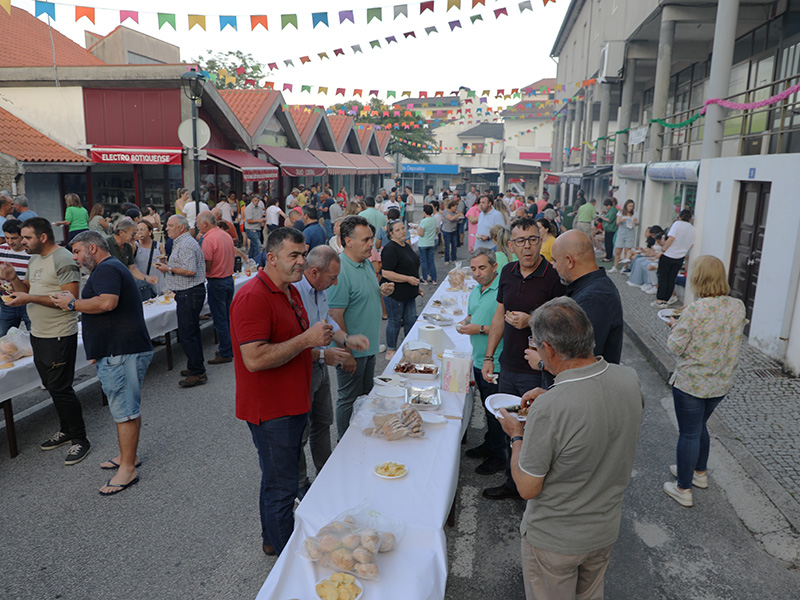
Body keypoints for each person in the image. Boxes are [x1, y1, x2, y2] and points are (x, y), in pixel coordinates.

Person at [497, 297, 643, 600]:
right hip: (603, 530)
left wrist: (516, 436)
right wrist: (552, 392)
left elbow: (527, 486)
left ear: (548, 349)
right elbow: (596, 408)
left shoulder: (551, 408)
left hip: (555, 539)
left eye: (536, 345)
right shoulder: (629, 379)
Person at [231, 227, 333, 556]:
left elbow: (294, 344)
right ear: (271, 258)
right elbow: (255, 358)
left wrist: (321, 351)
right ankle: (287, 562)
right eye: (294, 255)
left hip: (292, 404)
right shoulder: (252, 297)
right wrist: (308, 340)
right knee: (282, 487)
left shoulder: (289, 290)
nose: (302, 261)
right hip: (272, 411)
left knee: (276, 480)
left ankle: (270, 540)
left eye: (303, 254)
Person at [53, 231, 153, 495]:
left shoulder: (107, 269)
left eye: (77, 251)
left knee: (124, 412)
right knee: (128, 408)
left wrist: (72, 303)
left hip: (120, 353)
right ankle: (127, 457)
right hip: (117, 351)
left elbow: (108, 303)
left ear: (93, 248)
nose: (75, 258)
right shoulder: (109, 268)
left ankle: (128, 469)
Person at [481, 216, 566, 500]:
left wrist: (532, 320)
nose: (527, 247)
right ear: (511, 245)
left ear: (540, 242)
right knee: (509, 426)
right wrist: (489, 356)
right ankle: (511, 482)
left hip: (537, 369)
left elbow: (564, 324)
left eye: (532, 240)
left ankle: (532, 491)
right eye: (520, 241)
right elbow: (498, 317)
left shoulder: (553, 277)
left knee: (534, 432)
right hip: (508, 365)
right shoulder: (506, 272)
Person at [0, 218, 88, 465]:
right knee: (51, 386)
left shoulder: (63, 258)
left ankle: (80, 439)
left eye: (27, 238)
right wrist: (12, 279)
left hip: (59, 333)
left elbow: (69, 297)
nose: (22, 242)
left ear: (43, 237)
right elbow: (26, 287)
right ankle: (66, 429)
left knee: (62, 388)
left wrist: (28, 297)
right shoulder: (35, 258)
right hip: (38, 333)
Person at [663, 256, 746, 507]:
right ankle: (699, 473)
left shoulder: (695, 310)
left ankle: (683, 488)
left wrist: (674, 326)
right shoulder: (738, 306)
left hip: (692, 383)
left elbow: (674, 347)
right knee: (699, 428)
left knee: (688, 433)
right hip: (720, 383)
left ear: (698, 279)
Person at [292, 246, 369, 497]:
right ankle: (301, 485)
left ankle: (326, 472)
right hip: (303, 368)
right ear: (314, 272)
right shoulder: (295, 292)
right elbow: (295, 344)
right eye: (332, 277)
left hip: (319, 365)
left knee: (322, 423)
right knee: (300, 432)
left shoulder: (319, 289)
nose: (335, 282)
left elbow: (328, 322)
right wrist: (325, 354)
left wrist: (347, 339)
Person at [328, 215, 394, 439]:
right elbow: (335, 315)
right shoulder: (340, 269)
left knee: (365, 397)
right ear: (348, 241)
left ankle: (361, 439)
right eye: (366, 239)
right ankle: (345, 444)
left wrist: (381, 291)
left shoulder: (365, 262)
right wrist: (346, 353)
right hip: (351, 351)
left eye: (372, 238)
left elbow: (363, 295)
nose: (371, 244)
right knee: (348, 398)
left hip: (369, 346)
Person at [458, 248, 505, 476]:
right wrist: (466, 321)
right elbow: (471, 314)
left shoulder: (502, 292)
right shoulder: (477, 290)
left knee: (496, 412)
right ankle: (490, 444)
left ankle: (499, 456)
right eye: (474, 269)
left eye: (482, 268)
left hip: (494, 361)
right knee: (486, 408)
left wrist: (480, 328)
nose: (477, 273)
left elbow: (506, 327)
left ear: (494, 267)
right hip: (477, 359)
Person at [551, 230, 624, 364]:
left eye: (555, 260)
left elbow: (579, 360)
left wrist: (542, 362)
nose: (553, 266)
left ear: (569, 261)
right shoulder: (594, 288)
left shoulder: (592, 298)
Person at [155, 215, 207, 388]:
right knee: (191, 332)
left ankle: (197, 371)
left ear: (181, 228)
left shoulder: (185, 244)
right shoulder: (182, 241)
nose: (167, 228)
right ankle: (195, 366)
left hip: (189, 293)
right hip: (187, 292)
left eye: (170, 225)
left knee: (187, 334)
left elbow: (190, 270)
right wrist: (168, 265)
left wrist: (168, 268)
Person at [197, 211, 235, 365]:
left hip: (217, 281)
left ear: (205, 224)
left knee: (220, 319)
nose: (197, 225)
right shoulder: (225, 235)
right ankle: (228, 346)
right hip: (228, 279)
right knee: (226, 317)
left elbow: (207, 264)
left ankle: (226, 351)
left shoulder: (208, 239)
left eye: (198, 223)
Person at [381, 219, 422, 361]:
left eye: (403, 228)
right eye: (397, 230)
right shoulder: (390, 248)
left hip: (409, 292)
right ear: (391, 234)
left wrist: (417, 287)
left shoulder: (405, 245)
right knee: (395, 321)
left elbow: (411, 268)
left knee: (411, 320)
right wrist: (408, 279)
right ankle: (391, 350)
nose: (402, 231)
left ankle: (408, 345)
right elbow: (386, 273)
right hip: (395, 293)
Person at [105, 217, 159, 298]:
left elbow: (132, 268)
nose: (135, 237)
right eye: (133, 234)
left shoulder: (128, 247)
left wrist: (146, 278)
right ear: (121, 233)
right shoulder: (105, 244)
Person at [654, 209, 695, 308]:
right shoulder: (692, 228)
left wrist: (662, 251)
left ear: (680, 216)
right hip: (679, 257)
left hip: (669, 255)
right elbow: (691, 244)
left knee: (663, 277)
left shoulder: (677, 224)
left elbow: (671, 238)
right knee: (671, 278)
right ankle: (666, 300)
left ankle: (660, 300)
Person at [0, 220, 31, 335]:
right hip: (7, 302)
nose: (9, 242)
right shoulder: (2, 249)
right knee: (3, 339)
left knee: (34, 337)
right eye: (7, 238)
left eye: (13, 238)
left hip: (28, 302)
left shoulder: (31, 253)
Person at [134, 221, 164, 296]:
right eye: (137, 230)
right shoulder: (135, 246)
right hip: (141, 286)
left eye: (142, 229)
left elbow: (163, 265)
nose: (139, 232)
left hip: (157, 283)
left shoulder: (159, 246)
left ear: (150, 232)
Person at [611, 199, 638, 273]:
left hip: (630, 232)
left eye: (632, 206)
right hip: (622, 232)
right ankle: (615, 266)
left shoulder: (634, 213)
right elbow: (617, 222)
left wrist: (635, 223)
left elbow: (636, 222)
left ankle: (624, 267)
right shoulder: (620, 212)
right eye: (629, 206)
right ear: (626, 206)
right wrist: (621, 221)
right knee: (618, 250)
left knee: (627, 251)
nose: (631, 208)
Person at [417, 204, 438, 284]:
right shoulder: (433, 220)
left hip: (423, 243)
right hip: (431, 243)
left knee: (423, 262)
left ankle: (425, 278)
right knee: (431, 261)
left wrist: (417, 227)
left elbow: (421, 233)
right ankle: (434, 278)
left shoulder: (423, 221)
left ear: (424, 212)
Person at [244, 194, 266, 260]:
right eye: (255, 200)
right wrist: (259, 220)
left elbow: (261, 215)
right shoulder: (249, 208)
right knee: (258, 245)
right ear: (252, 200)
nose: (256, 202)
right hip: (251, 229)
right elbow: (248, 221)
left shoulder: (259, 208)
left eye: (258, 201)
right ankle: (257, 260)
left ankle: (250, 259)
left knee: (253, 246)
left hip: (257, 228)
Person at [441, 199, 460, 264]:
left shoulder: (455, 213)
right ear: (451, 206)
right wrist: (458, 215)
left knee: (454, 245)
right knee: (447, 246)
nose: (456, 208)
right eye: (455, 207)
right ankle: (446, 260)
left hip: (453, 231)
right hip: (446, 231)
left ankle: (454, 258)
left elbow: (457, 219)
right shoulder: (446, 212)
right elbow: (451, 218)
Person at [598, 198, 618, 263]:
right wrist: (605, 212)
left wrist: (602, 217)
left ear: (609, 205)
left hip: (611, 229)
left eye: (606, 206)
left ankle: (608, 257)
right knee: (607, 242)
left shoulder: (613, 210)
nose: (606, 207)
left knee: (608, 243)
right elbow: (610, 215)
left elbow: (610, 219)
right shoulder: (611, 210)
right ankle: (608, 255)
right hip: (608, 229)